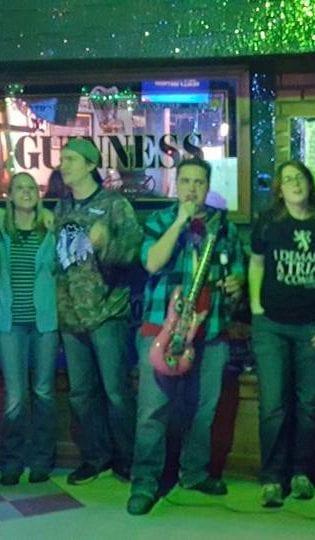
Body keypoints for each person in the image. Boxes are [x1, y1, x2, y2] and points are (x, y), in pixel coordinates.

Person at [127, 157, 245, 516]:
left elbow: (237, 271)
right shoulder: (160, 220)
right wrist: (180, 222)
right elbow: (151, 262)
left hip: (210, 330)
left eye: (199, 182)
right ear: (175, 184)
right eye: (186, 181)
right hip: (161, 331)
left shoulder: (224, 227)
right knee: (152, 410)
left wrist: (236, 284)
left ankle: (194, 473)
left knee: (202, 408)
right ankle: (145, 482)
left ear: (208, 187)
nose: (192, 189)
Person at [249, 159, 315, 507]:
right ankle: (272, 478)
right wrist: (256, 306)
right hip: (271, 326)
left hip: (313, 327)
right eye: (287, 179)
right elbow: (256, 262)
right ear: (279, 190)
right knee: (273, 404)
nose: (294, 183)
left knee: (308, 403)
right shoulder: (267, 222)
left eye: (300, 177)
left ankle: (301, 473)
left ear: (310, 182)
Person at [54, 138, 142, 485]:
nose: (64, 165)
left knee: (116, 391)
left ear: (91, 165)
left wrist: (108, 244)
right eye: (63, 158)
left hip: (106, 313)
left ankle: (127, 459)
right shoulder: (62, 207)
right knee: (81, 394)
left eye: (71, 159)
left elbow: (134, 253)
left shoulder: (114, 205)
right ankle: (96, 457)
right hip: (70, 316)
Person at [0, 173, 59, 485]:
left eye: (31, 188)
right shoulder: (2, 229)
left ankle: (41, 459)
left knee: (44, 392)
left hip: (44, 322)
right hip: (9, 323)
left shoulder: (50, 228)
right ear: (9, 196)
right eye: (19, 188)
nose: (26, 192)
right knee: (15, 396)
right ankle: (11, 460)